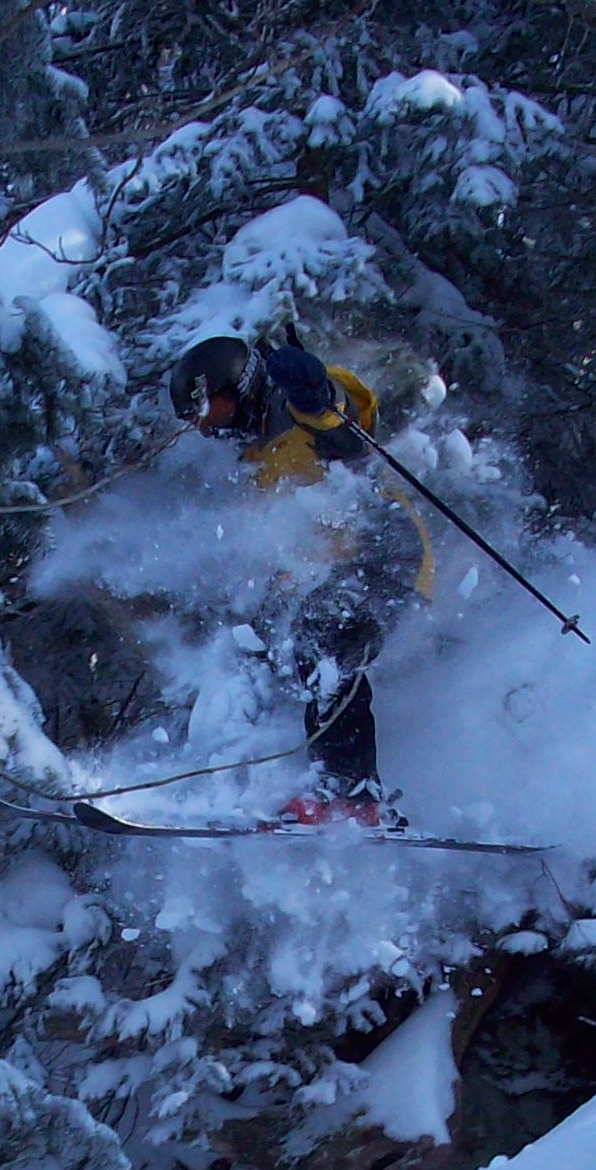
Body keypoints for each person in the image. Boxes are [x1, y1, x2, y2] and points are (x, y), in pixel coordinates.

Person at [166, 334, 433, 826]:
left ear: (240, 386)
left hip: (389, 555)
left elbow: (345, 423)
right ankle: (277, 787)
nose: (210, 430)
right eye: (199, 424)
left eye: (213, 413)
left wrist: (314, 391)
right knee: (282, 650)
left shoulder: (297, 410)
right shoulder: (258, 460)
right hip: (339, 574)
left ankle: (354, 798)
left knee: (323, 638)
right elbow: (293, 544)